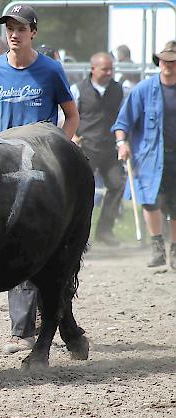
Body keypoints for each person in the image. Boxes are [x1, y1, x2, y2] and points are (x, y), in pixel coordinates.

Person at [0, 4, 79, 354]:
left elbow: (71, 114)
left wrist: (63, 151)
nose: (13, 34)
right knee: (14, 241)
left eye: (20, 27)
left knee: (44, 246)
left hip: (44, 169)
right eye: (9, 28)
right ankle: (38, 327)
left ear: (33, 32)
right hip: (5, 167)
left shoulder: (50, 70)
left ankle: (27, 329)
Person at [113, 40, 176, 269]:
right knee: (150, 200)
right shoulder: (143, 90)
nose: (168, 65)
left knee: (174, 203)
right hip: (150, 156)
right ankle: (157, 246)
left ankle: (174, 249)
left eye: (172, 61)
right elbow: (123, 122)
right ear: (158, 62)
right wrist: (122, 143)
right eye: (164, 60)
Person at [70, 52, 125, 247]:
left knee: (118, 184)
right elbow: (67, 115)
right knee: (82, 190)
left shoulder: (119, 90)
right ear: (93, 69)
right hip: (86, 147)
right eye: (105, 69)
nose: (109, 72)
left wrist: (123, 141)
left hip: (110, 149)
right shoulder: (77, 90)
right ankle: (79, 235)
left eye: (111, 69)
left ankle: (105, 230)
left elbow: (124, 117)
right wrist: (73, 136)